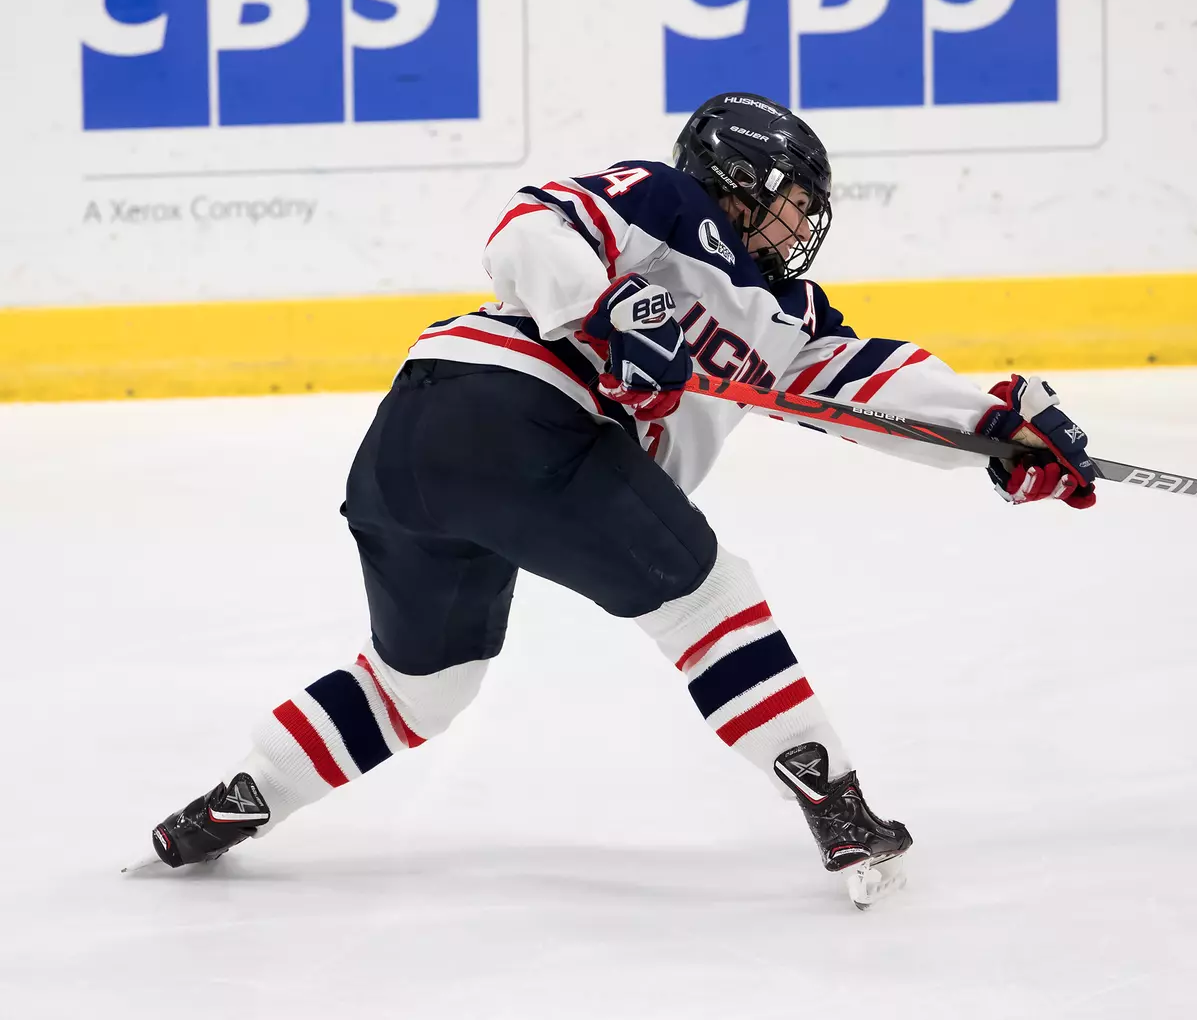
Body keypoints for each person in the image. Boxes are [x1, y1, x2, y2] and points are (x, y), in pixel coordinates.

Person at [143, 92, 1098, 906]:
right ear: (741, 179)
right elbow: (531, 226)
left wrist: (991, 430)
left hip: (408, 450)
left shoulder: (794, 323)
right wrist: (600, 309)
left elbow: (864, 387)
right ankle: (836, 805)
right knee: (708, 597)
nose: (803, 223)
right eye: (794, 200)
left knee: (423, 683)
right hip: (522, 416)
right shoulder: (671, 200)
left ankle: (242, 797)